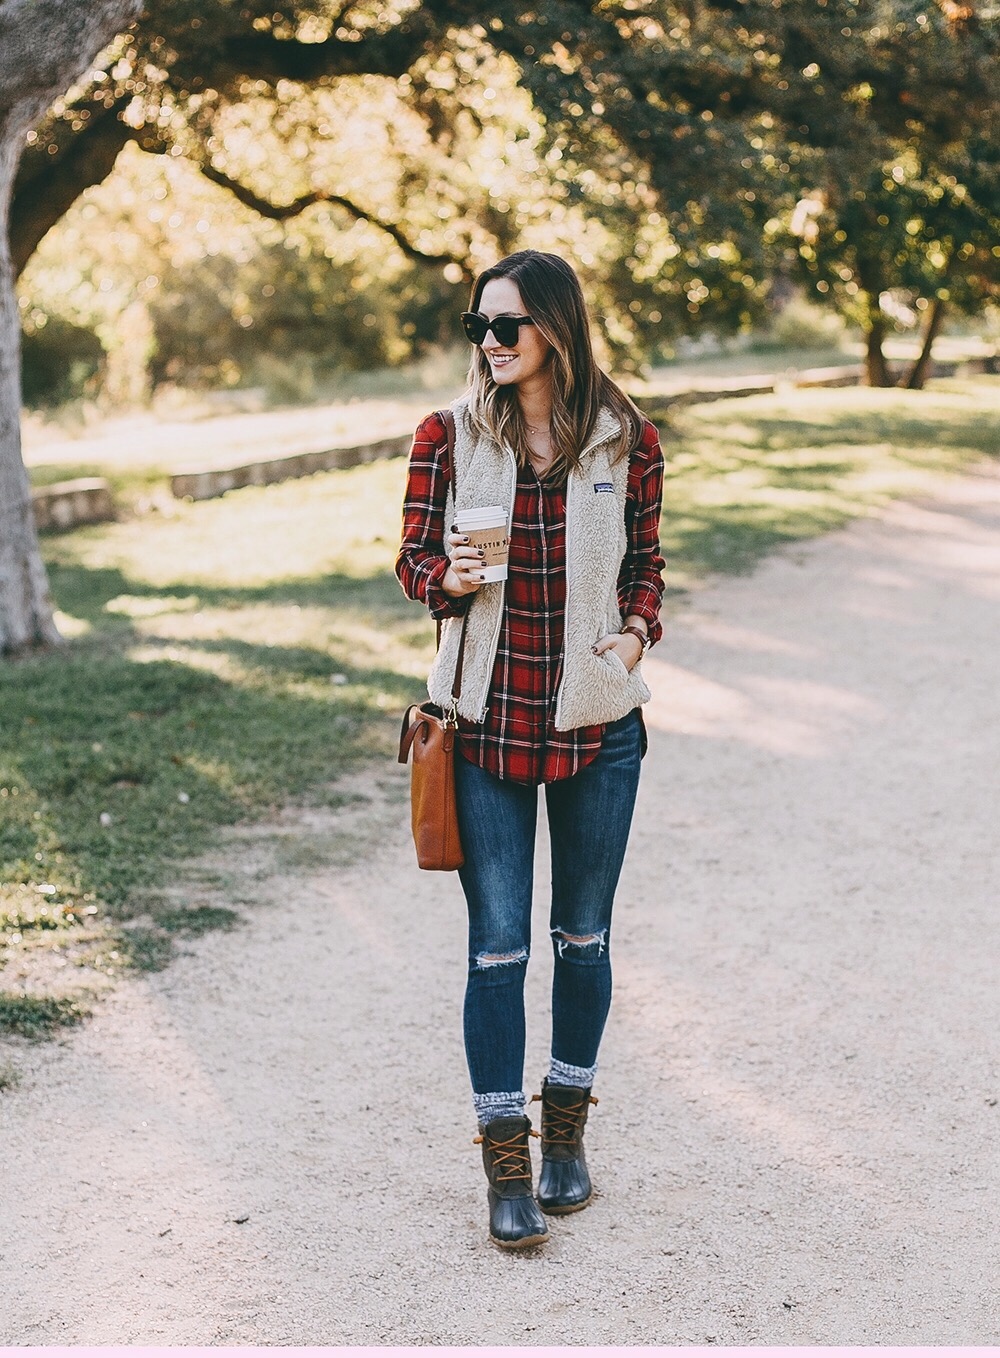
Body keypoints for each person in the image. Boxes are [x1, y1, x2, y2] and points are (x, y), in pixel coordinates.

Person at [395, 249, 665, 1249]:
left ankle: (565, 1138)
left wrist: (634, 633)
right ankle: (504, 1159)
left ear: (554, 326)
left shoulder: (624, 439)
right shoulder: (446, 436)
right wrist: (449, 578)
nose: (490, 344)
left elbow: (646, 568)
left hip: (598, 724)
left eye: (505, 326)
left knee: (583, 939)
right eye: (479, 327)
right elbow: (414, 557)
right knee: (497, 947)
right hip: (482, 726)